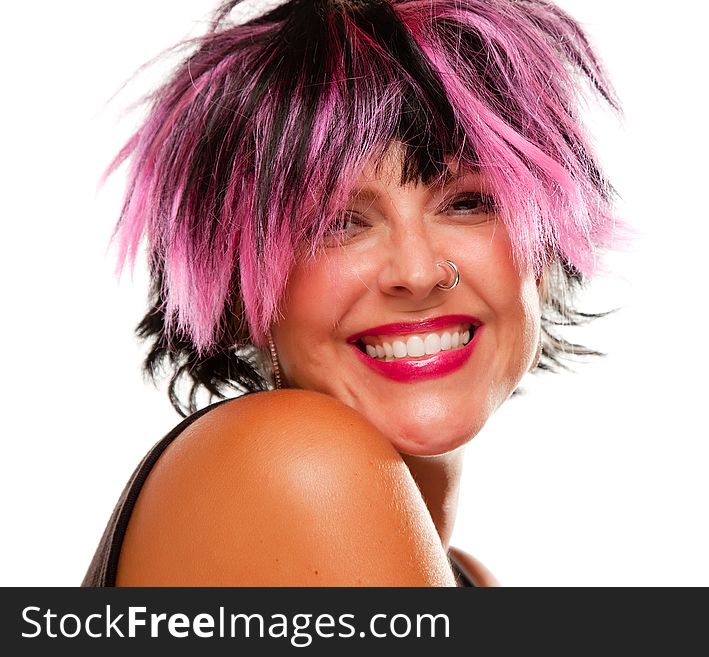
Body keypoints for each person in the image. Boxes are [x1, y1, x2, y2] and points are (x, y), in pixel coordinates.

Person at [83, 0, 620, 586]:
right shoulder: (299, 463)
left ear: (541, 250)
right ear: (236, 288)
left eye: (467, 203)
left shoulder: (469, 578)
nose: (417, 273)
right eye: (336, 223)